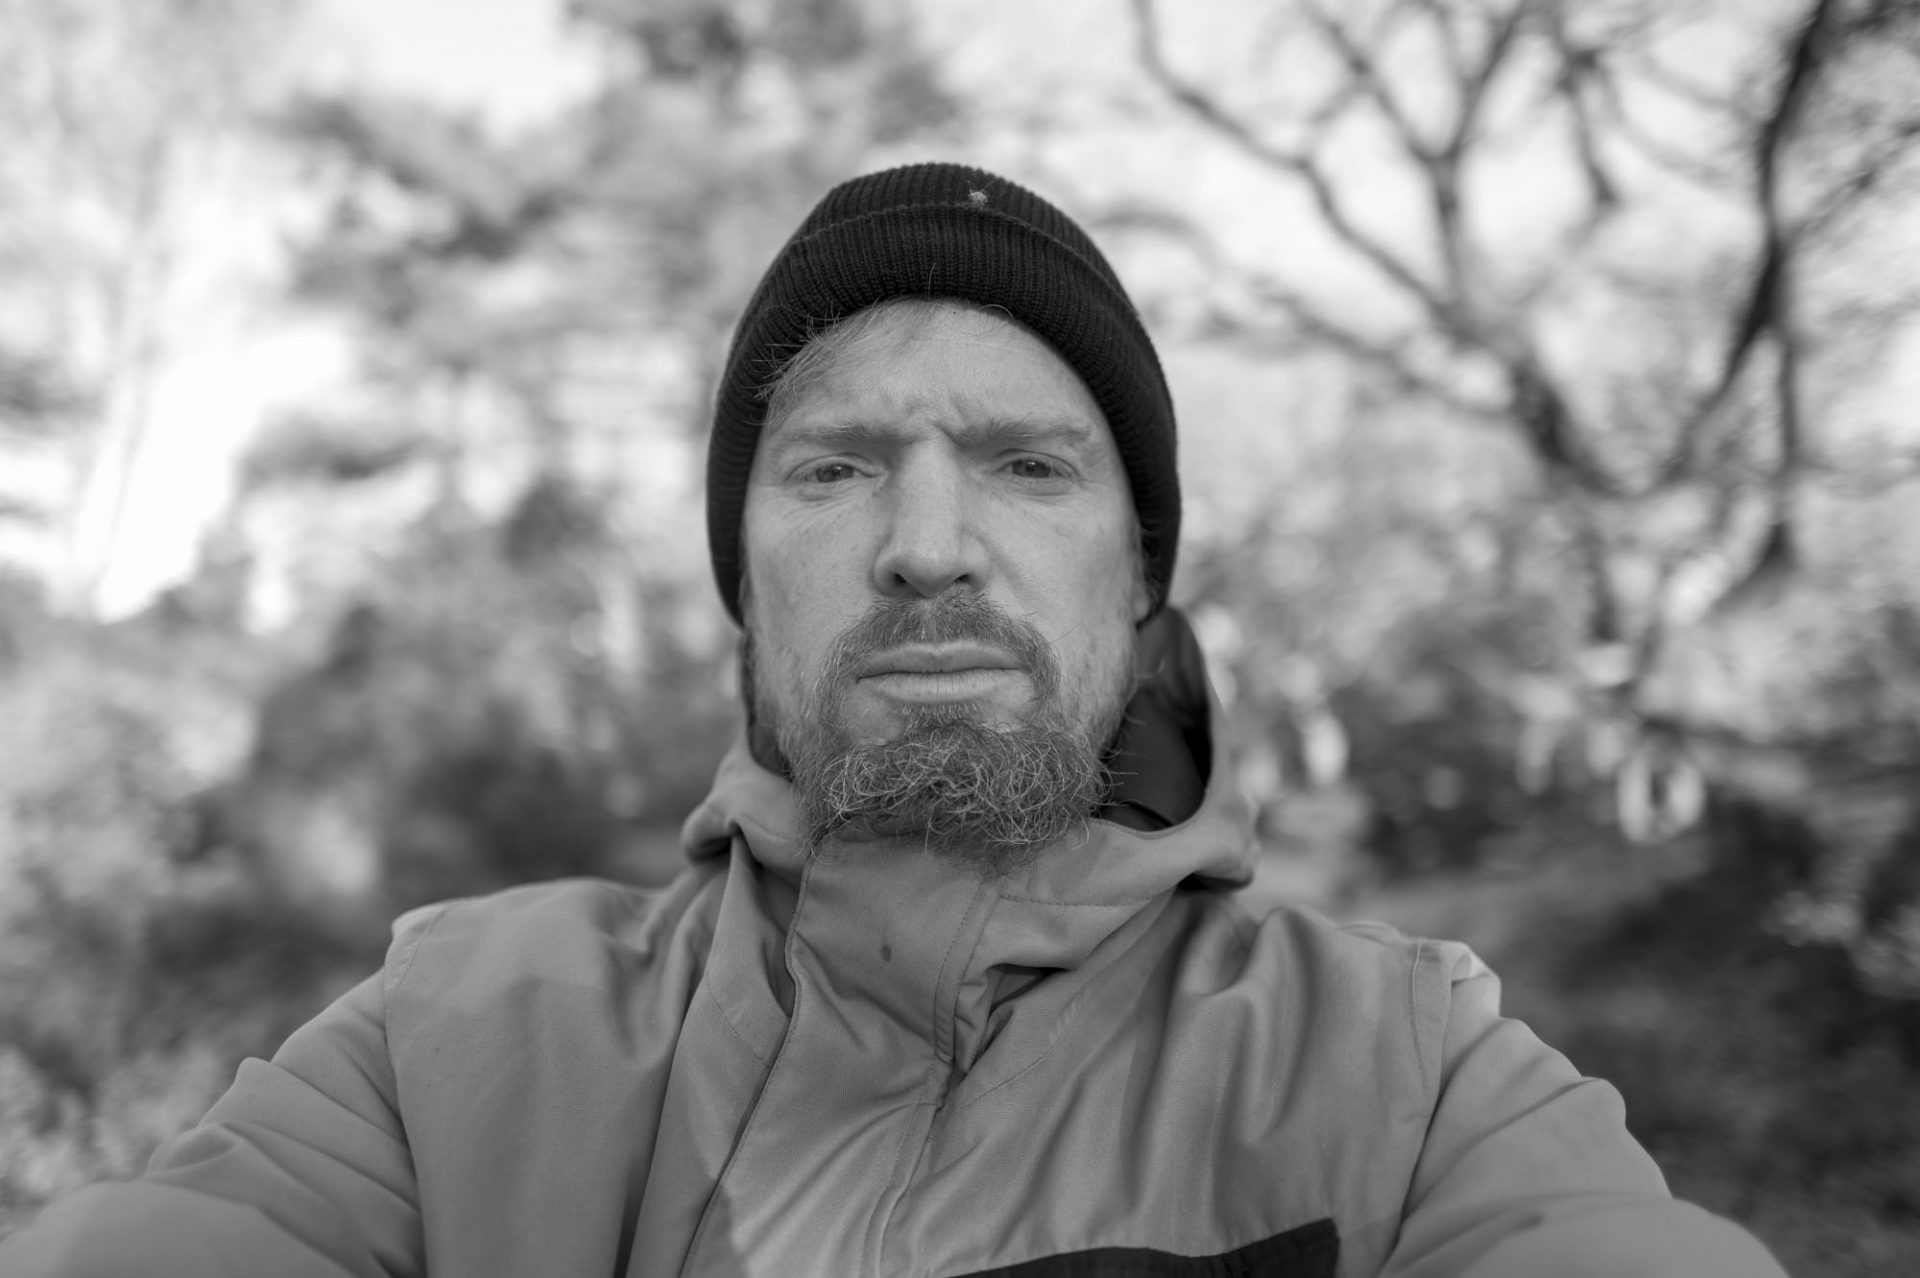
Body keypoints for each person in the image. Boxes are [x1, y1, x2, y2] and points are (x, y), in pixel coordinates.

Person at [0, 163, 1787, 1278]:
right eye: (837, 467)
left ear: (1139, 584)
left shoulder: (1410, 1069)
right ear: (746, 587)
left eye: (1028, 466)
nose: (929, 544)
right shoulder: (445, 1038)